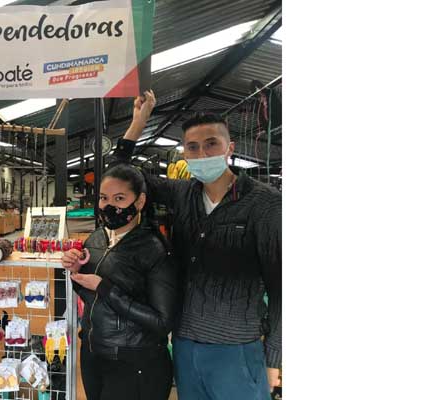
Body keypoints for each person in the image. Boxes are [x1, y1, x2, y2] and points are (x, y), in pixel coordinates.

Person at [110, 90, 282, 400]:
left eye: (211, 144)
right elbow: (121, 176)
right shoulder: (181, 194)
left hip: (237, 349)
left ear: (230, 148)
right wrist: (138, 123)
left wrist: (274, 359)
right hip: (186, 345)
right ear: (184, 155)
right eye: (192, 147)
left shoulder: (265, 203)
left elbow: (281, 284)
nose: (201, 154)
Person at [61, 163, 177, 400]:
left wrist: (105, 288)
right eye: (104, 198)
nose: (109, 206)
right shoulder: (96, 238)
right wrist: (77, 274)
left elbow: (162, 321)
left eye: (120, 198)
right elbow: (89, 296)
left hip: (134, 360)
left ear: (141, 201)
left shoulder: (153, 248)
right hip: (94, 353)